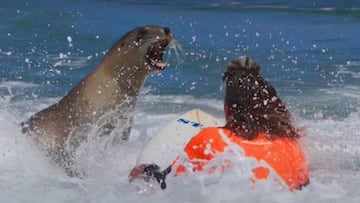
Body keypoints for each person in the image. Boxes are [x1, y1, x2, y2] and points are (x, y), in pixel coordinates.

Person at [129, 56, 310, 192]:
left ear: (229, 111)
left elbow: (167, 186)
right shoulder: (291, 144)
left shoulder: (212, 139)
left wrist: (148, 171)